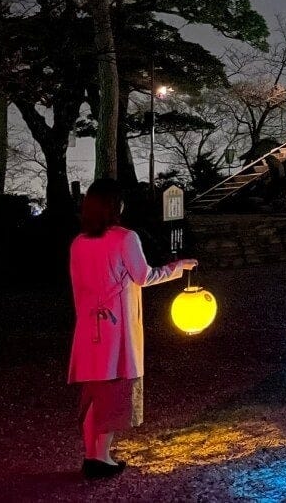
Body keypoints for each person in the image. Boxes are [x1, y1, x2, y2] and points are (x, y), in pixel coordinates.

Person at [67, 179, 197, 479]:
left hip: (89, 327)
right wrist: (177, 268)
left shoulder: (78, 243)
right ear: (115, 206)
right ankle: (102, 458)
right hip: (116, 329)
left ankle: (92, 455)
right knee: (114, 392)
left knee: (93, 393)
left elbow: (79, 286)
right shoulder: (124, 238)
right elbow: (143, 276)